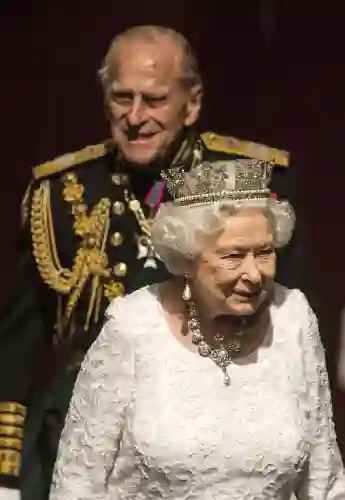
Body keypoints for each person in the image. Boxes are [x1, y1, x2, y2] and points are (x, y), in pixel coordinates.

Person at [0, 25, 312, 500]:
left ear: (192, 104)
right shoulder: (59, 194)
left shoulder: (251, 183)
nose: (135, 116)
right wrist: (5, 472)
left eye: (155, 99)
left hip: (215, 425)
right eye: (121, 98)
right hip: (79, 432)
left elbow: (294, 325)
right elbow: (19, 342)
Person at [49, 158, 344, 500]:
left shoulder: (293, 317)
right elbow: (77, 483)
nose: (254, 273)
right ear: (187, 257)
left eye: (264, 253)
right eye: (234, 256)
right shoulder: (133, 325)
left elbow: (323, 479)